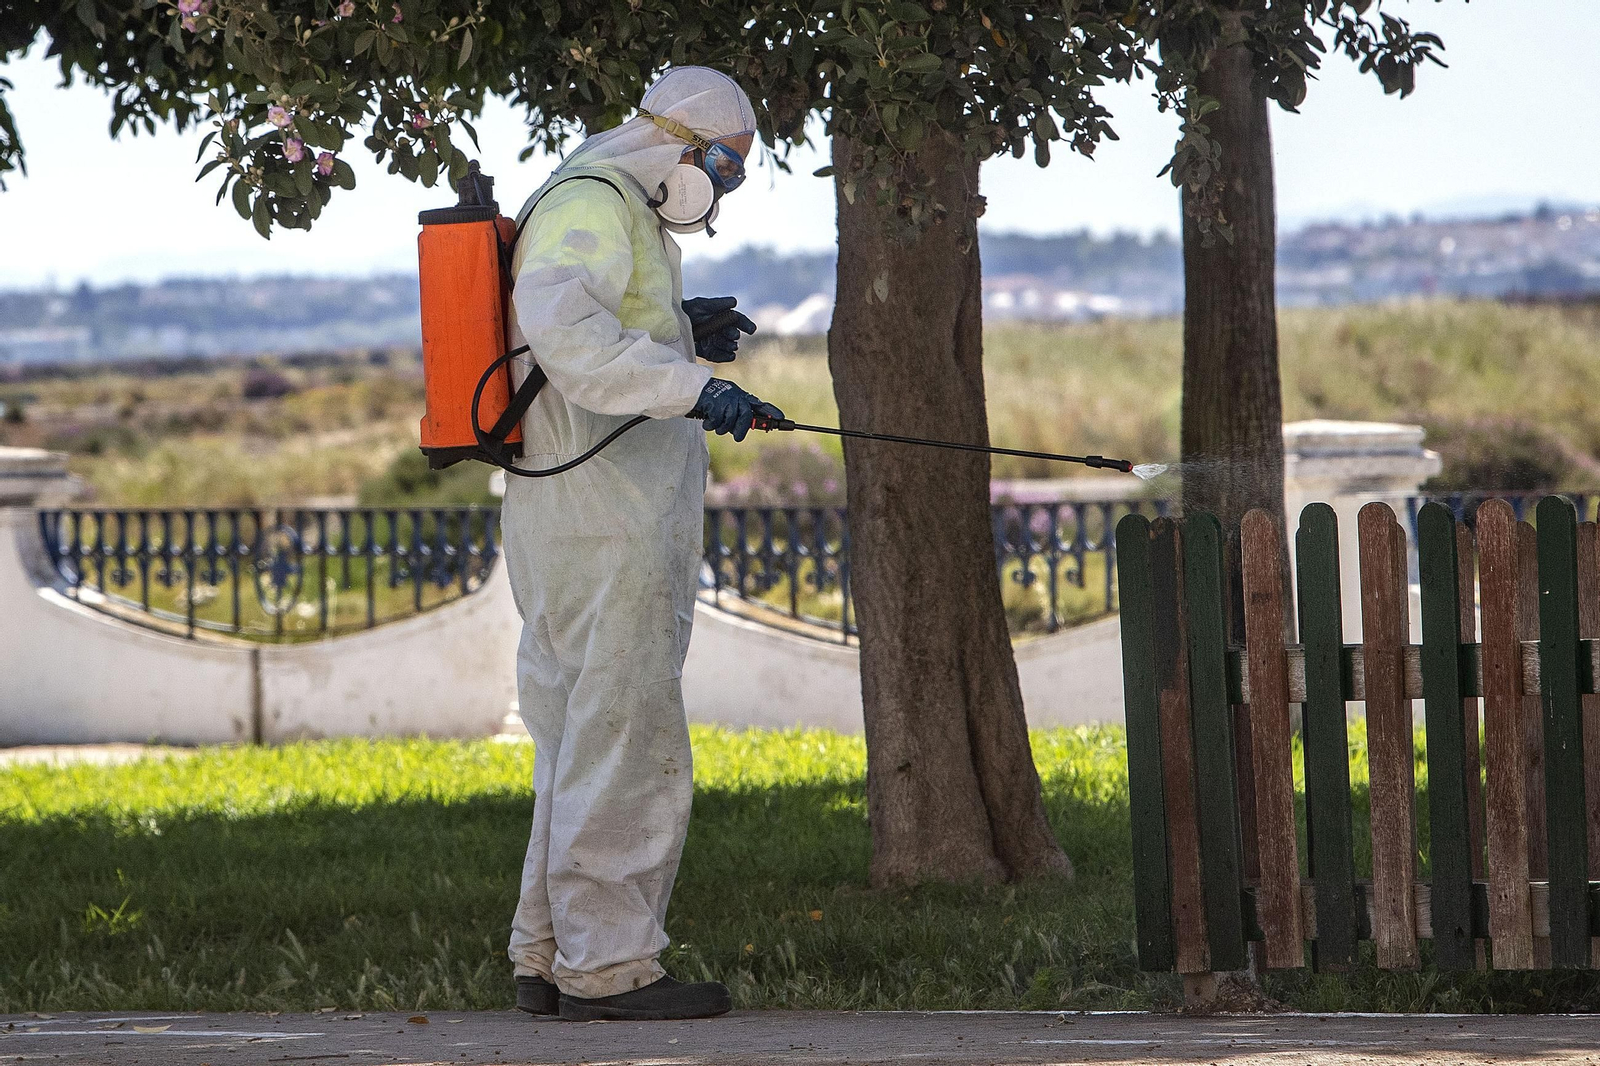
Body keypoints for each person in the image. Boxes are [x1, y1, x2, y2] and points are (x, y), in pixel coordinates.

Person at [498, 66, 782, 1023]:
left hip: (576, 514)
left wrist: (676, 327)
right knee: (625, 735)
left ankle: (548, 956)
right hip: (604, 516)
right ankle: (611, 969)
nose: (724, 192)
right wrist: (692, 386)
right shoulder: (595, 198)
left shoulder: (602, 199)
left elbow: (578, 322)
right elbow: (565, 333)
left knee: (579, 737)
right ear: (677, 139)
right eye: (725, 170)